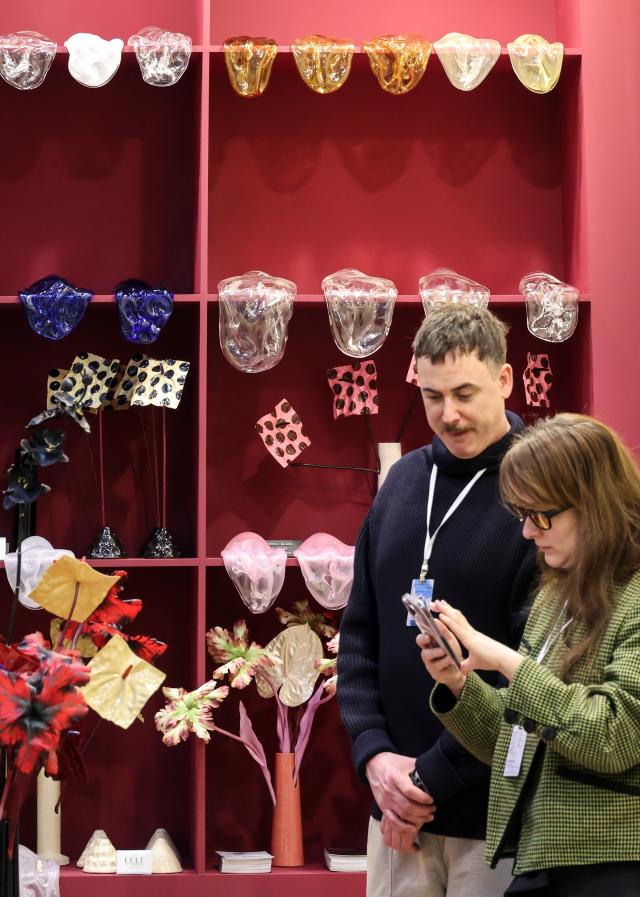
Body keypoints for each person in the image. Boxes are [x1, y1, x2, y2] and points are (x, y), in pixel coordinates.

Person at [337, 303, 537, 897]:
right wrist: (375, 758)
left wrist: (426, 779)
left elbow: (539, 664)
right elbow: (359, 633)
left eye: (465, 393)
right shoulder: (400, 483)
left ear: (505, 380)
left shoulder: (540, 491)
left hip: (493, 818)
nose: (448, 415)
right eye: (431, 396)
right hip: (396, 816)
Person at [419, 413, 640, 896]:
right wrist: (460, 682)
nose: (527, 533)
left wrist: (504, 660)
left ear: (593, 503)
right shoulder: (555, 594)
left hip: (614, 861)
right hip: (545, 856)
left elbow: (613, 734)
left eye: (541, 515)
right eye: (522, 516)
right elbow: (517, 738)